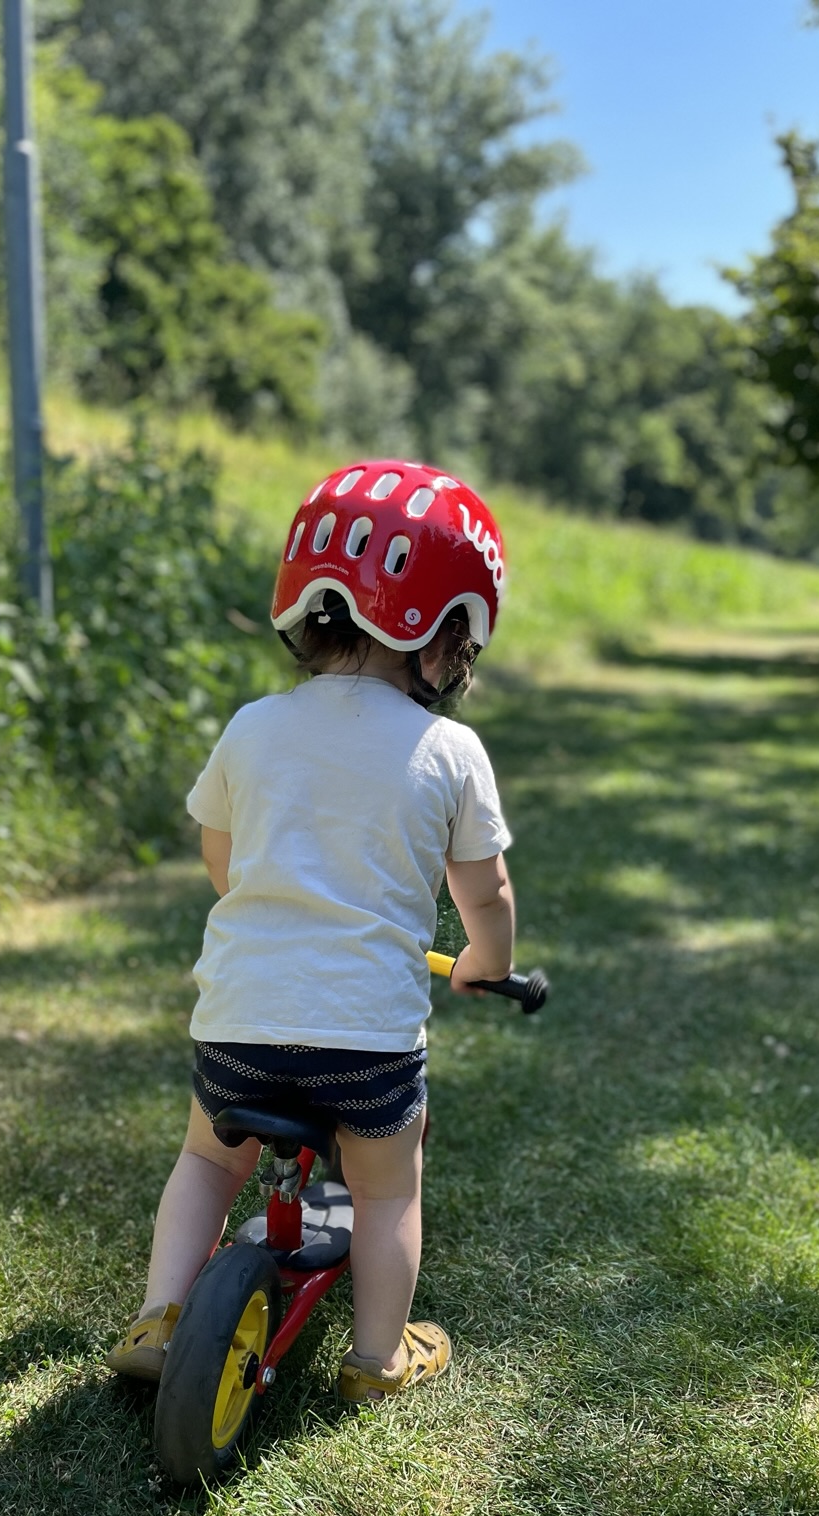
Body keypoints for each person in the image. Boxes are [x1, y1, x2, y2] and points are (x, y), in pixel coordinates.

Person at [105, 460, 517, 1403]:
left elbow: (223, 855)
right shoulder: (448, 752)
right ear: (443, 630)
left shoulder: (252, 726)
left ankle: (161, 1315)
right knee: (386, 1187)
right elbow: (484, 894)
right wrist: (486, 963)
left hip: (237, 1026)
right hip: (364, 1048)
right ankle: (377, 1357)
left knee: (209, 1160)